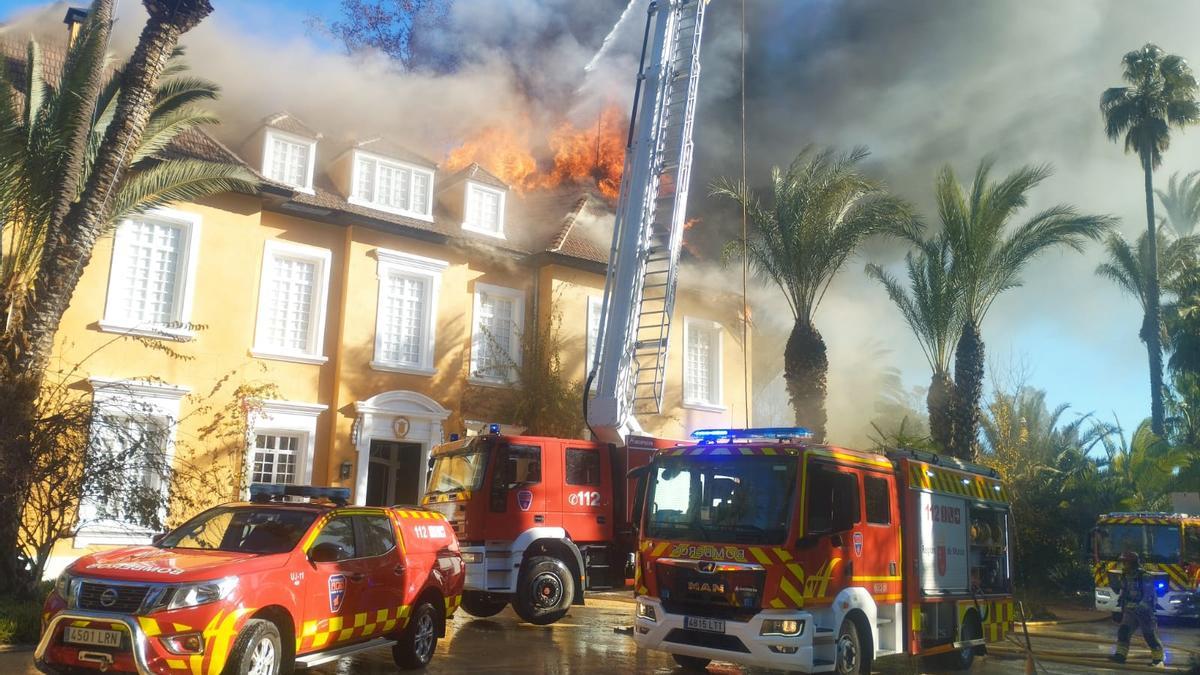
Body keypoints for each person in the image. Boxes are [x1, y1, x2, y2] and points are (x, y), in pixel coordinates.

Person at [1109, 551, 1165, 668]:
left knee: (1149, 635)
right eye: (1123, 562)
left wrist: (1142, 607)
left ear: (1133, 563)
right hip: (1130, 611)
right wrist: (1119, 609)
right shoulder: (1125, 576)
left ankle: (1158, 659)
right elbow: (1124, 593)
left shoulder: (1144, 576)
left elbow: (1149, 595)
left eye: (1125, 563)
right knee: (1124, 631)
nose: (1123, 565)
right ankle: (1120, 655)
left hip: (1145, 612)